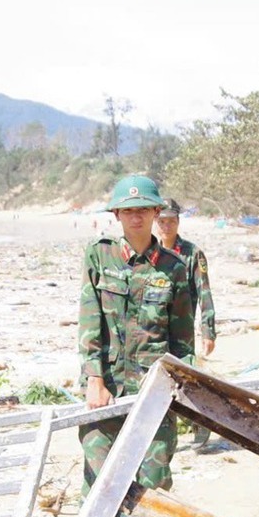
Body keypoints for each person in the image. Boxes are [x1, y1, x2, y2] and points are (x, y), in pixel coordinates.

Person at [77, 174, 196, 490]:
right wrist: (94, 379)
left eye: (143, 209)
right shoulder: (99, 255)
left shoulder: (174, 267)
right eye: (128, 210)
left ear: (156, 212)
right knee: (100, 484)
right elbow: (90, 322)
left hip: (154, 389)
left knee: (153, 484)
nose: (136, 217)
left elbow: (183, 341)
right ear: (116, 214)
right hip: (106, 388)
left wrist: (181, 388)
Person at [156, 199, 216, 359]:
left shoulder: (193, 254)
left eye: (171, 221)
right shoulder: (151, 254)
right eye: (162, 221)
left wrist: (208, 331)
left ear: (178, 222)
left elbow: (204, 293)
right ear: (155, 222)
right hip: (154, 335)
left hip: (182, 334)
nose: (167, 226)